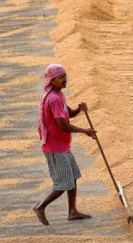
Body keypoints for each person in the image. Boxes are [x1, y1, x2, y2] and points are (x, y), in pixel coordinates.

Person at [33, 64, 97, 226]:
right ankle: (41, 207)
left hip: (63, 145)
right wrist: (85, 130)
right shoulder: (53, 98)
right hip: (55, 147)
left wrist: (79, 110)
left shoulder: (58, 95)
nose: (64, 80)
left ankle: (72, 211)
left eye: (65, 76)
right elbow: (63, 125)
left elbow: (67, 114)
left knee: (73, 176)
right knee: (63, 183)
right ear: (52, 80)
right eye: (61, 78)